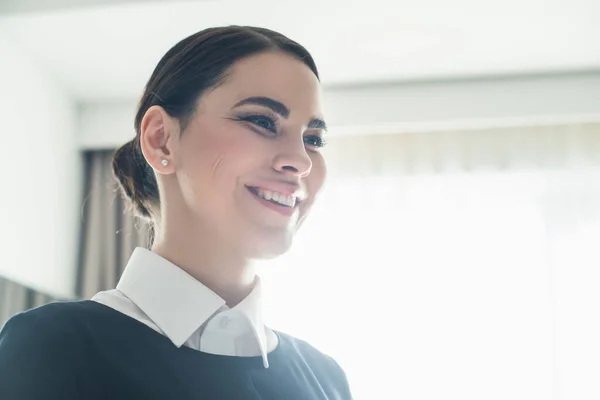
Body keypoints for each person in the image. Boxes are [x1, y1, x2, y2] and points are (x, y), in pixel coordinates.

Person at [0, 26, 352, 399]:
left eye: (313, 140)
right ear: (161, 139)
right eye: (262, 121)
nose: (301, 161)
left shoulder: (326, 379)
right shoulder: (52, 346)